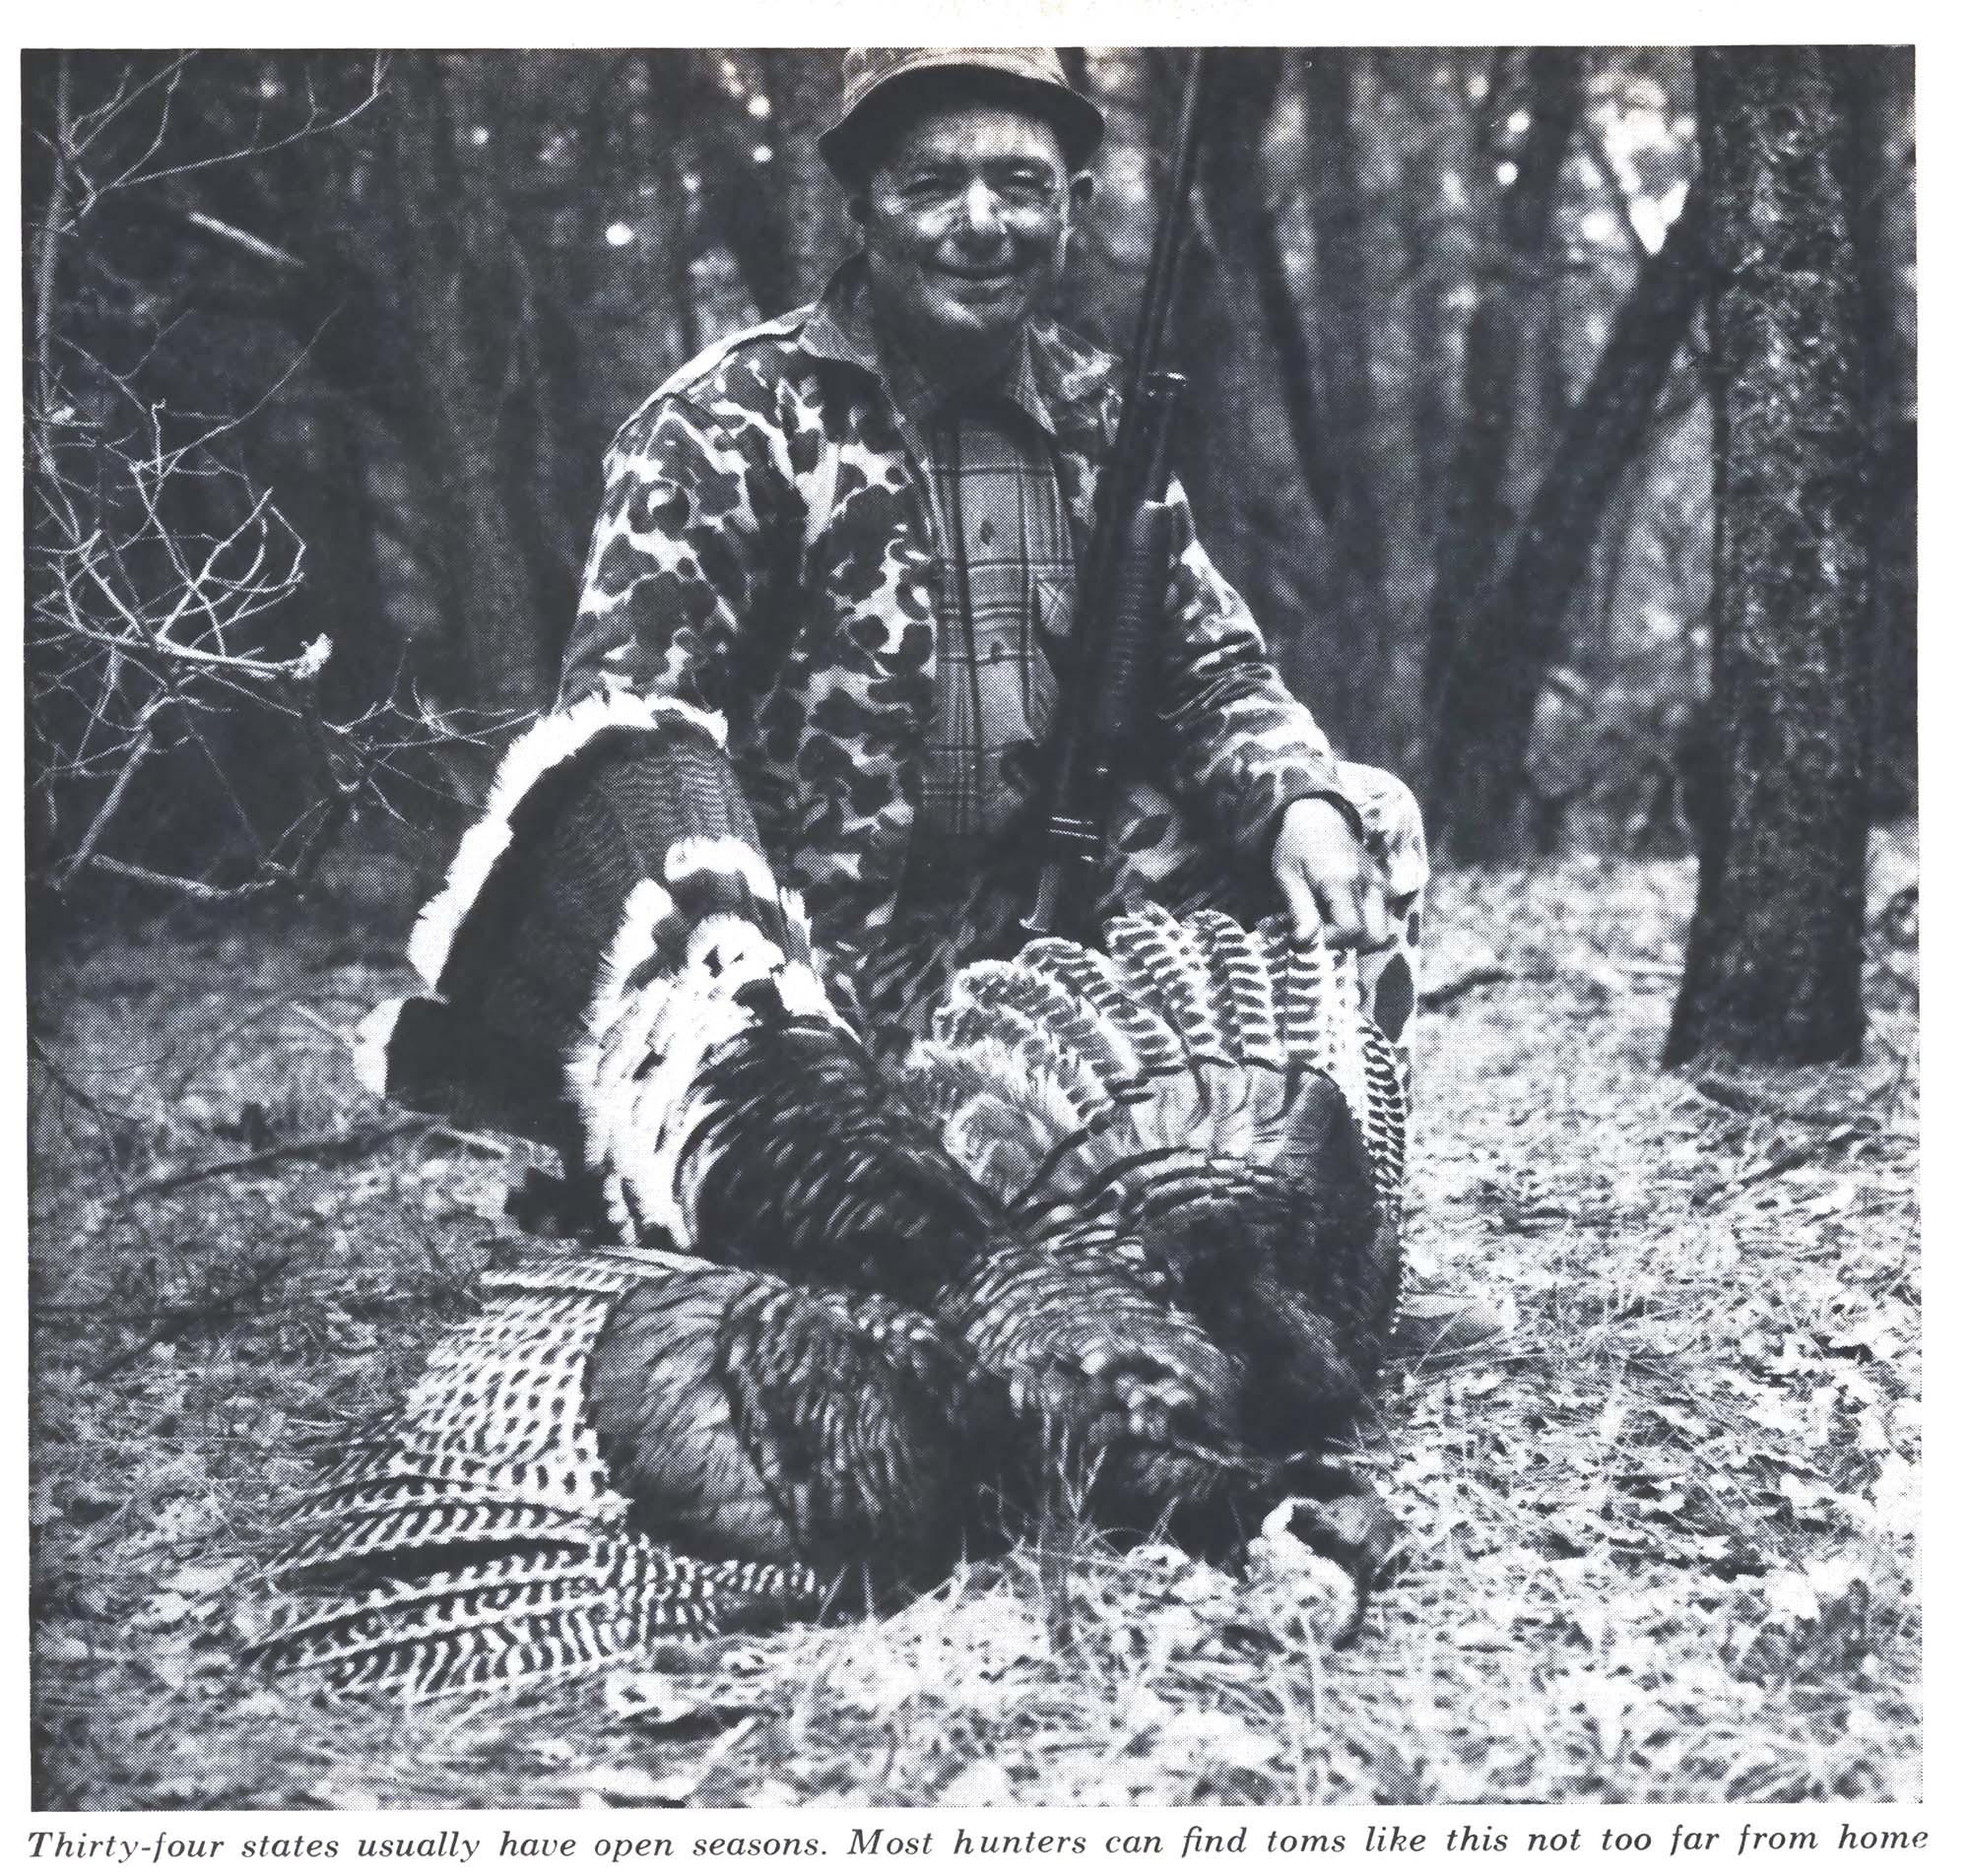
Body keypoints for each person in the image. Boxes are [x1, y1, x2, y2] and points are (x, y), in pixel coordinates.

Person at [560, 47, 1428, 1067]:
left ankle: (1292, 1193)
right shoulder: (722, 427)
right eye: (931, 184)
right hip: (799, 963)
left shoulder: (1102, 417)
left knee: (1357, 815)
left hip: (1045, 930)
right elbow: (616, 755)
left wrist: (1296, 802)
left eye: (1018, 184)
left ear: (1073, 204)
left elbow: (1212, 674)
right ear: (860, 207)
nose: (979, 223)